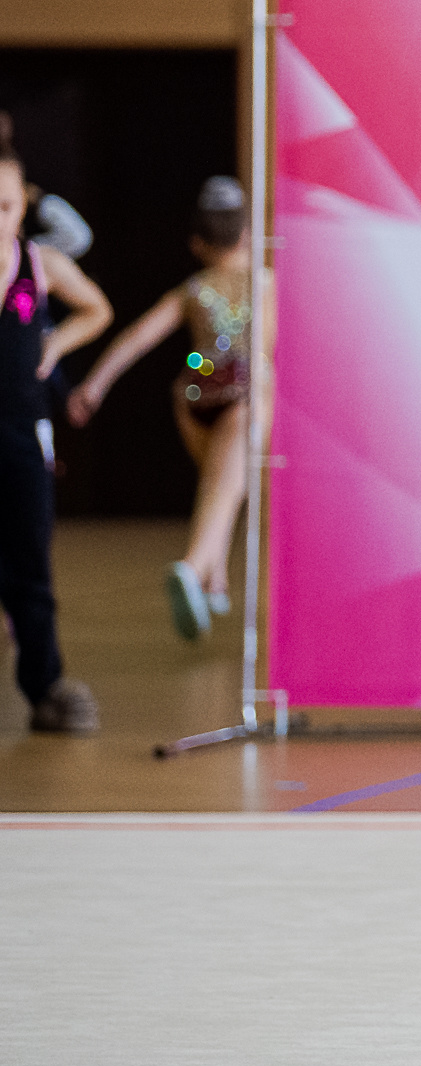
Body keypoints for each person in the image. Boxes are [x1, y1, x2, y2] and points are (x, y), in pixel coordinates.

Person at [67, 177, 272, 642]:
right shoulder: (268, 284)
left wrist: (94, 386)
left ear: (198, 243)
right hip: (245, 401)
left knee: (221, 486)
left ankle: (215, 580)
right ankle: (194, 566)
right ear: (248, 235)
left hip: (194, 401)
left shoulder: (193, 289)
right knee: (229, 485)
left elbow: (138, 337)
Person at [0, 119, 113, 731]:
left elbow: (97, 308)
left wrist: (53, 345)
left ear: (23, 205)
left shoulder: (38, 264)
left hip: (22, 433)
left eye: (6, 205)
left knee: (30, 569)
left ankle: (44, 687)